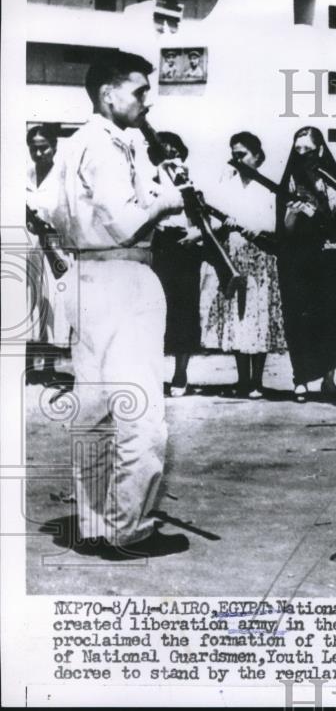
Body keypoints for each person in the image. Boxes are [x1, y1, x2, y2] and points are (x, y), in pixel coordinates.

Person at [27, 50, 189, 558]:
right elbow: (124, 221)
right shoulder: (107, 144)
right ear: (109, 94)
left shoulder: (77, 142)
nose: (147, 100)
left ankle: (97, 525)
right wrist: (170, 198)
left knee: (95, 410)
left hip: (86, 277)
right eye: (140, 90)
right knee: (140, 411)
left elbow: (41, 209)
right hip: (123, 275)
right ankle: (129, 530)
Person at [200, 132, 286, 398]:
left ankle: (258, 381)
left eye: (243, 155)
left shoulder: (269, 188)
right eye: (234, 155)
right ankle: (242, 380)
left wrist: (258, 229)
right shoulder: (226, 186)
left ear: (257, 156)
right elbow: (213, 222)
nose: (237, 160)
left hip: (260, 259)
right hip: (234, 259)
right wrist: (224, 226)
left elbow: (277, 223)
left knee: (258, 316)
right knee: (237, 316)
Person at [275, 127, 336, 402]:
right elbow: (283, 229)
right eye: (297, 151)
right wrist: (293, 214)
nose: (302, 156)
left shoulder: (334, 179)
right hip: (298, 262)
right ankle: (301, 379)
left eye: (307, 151)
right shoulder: (290, 181)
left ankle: (329, 379)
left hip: (331, 260)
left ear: (320, 150)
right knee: (300, 318)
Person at [149, 131, 203, 397]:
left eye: (175, 152)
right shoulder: (148, 182)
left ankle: (180, 373)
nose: (172, 158)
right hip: (159, 245)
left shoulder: (192, 181)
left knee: (185, 308)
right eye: (165, 154)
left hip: (186, 246)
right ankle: (151, 374)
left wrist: (197, 233)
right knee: (155, 308)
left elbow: (202, 214)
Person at [25, 124, 73, 385]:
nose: (39, 152)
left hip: (54, 246)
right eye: (33, 148)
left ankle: (51, 367)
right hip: (28, 247)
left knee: (53, 305)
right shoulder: (24, 175)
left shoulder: (62, 177)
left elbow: (67, 213)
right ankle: (30, 366)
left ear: (54, 147)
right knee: (28, 305)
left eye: (43, 147)